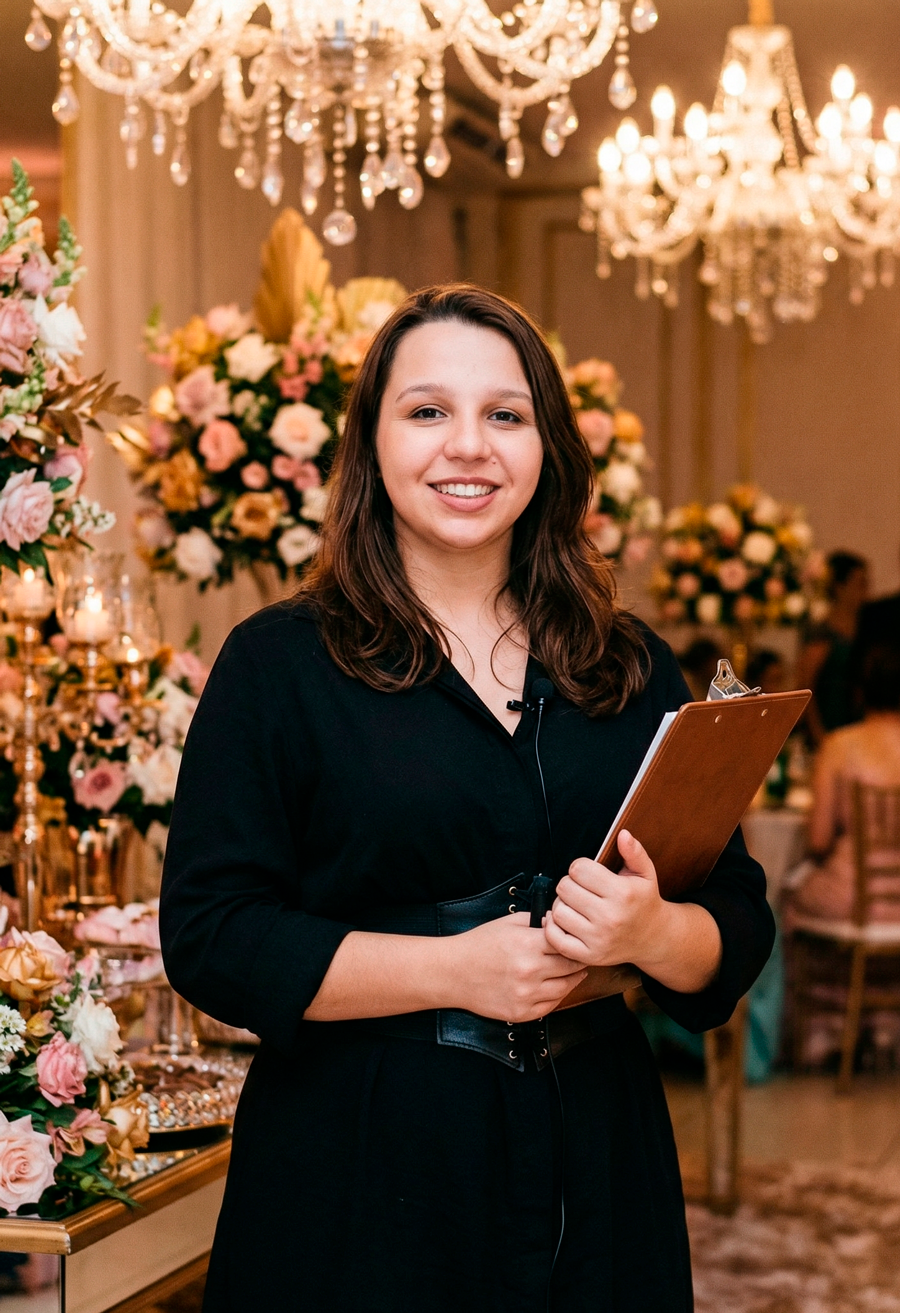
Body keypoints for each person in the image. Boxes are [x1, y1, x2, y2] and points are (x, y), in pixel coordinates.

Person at [160, 285, 774, 1312]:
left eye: (505, 414)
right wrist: (456, 969)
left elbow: (740, 916)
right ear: (373, 441)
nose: (469, 446)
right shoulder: (280, 664)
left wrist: (656, 928)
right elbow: (213, 934)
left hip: (598, 1156)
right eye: (428, 410)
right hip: (361, 1161)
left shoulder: (629, 666)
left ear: (548, 447)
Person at [788, 641, 900, 923]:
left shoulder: (840, 746)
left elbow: (818, 840)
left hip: (854, 895)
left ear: (860, 689)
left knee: (783, 897)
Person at [797, 550, 869, 746]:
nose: (866, 591)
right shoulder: (821, 631)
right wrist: (819, 736)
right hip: (830, 723)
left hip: (862, 726)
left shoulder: (868, 627)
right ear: (839, 587)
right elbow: (805, 688)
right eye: (859, 584)